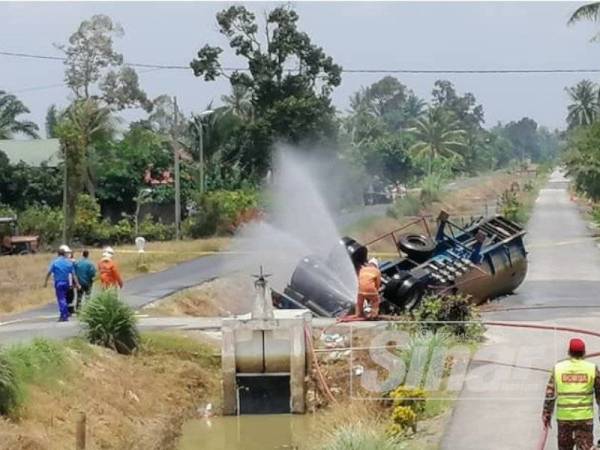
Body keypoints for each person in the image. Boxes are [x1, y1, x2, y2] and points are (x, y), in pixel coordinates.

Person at [543, 338, 600, 450]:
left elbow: (550, 394)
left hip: (564, 418)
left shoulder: (558, 368)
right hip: (584, 418)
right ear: (584, 352)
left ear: (569, 352)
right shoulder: (592, 369)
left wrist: (546, 414)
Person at [44, 245, 80, 322]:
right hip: (67, 282)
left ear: (58, 254)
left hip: (59, 283)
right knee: (65, 299)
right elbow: (74, 275)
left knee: (61, 299)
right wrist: (77, 284)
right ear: (64, 254)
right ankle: (65, 313)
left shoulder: (55, 262)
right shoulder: (68, 263)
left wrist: (45, 282)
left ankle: (64, 316)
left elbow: (49, 272)